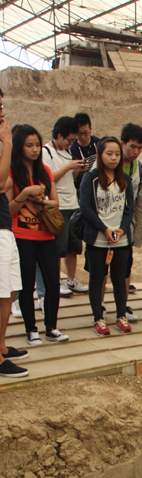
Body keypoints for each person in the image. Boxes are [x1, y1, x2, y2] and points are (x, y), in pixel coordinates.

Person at [7, 124, 69, 345]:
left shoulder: (44, 171)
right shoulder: (11, 173)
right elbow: (9, 209)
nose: (34, 149)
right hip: (22, 235)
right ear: (19, 147)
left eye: (36, 145)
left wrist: (40, 200)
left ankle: (51, 327)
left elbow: (55, 203)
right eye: (29, 145)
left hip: (46, 235)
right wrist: (25, 193)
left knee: (53, 281)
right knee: (26, 284)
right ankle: (31, 329)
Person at [79, 137, 134, 336]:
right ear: (100, 155)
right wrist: (104, 229)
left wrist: (123, 229)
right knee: (97, 279)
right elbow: (85, 207)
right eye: (109, 153)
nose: (114, 158)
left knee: (120, 279)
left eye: (117, 154)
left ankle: (121, 316)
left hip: (120, 239)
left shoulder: (125, 179)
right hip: (98, 237)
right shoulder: (90, 178)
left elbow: (129, 208)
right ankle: (98, 318)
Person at [0, 93, 29, 377]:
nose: (2, 112)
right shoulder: (4, 143)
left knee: (10, 290)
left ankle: (1, 346)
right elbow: (1, 182)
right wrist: (8, 143)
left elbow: (6, 181)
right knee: (0, 293)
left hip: (4, 227)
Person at [42, 116, 88, 296]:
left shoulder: (67, 151)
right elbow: (48, 179)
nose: (71, 143)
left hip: (72, 203)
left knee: (73, 246)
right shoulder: (46, 152)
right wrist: (69, 166)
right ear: (59, 135)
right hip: (58, 205)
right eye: (69, 139)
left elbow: (70, 179)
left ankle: (71, 279)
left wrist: (77, 169)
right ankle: (56, 281)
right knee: (58, 248)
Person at [120, 122, 142, 322]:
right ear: (122, 143)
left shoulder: (141, 169)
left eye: (140, 147)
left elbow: (141, 201)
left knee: (125, 267)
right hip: (105, 225)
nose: (136, 152)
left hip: (126, 226)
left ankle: (122, 306)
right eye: (132, 146)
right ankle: (99, 306)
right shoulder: (106, 162)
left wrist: (137, 232)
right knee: (102, 270)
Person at [70, 112, 100, 191]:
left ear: (91, 129)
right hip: (83, 188)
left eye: (86, 133)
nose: (82, 137)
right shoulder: (72, 150)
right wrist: (78, 169)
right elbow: (71, 178)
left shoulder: (98, 143)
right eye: (79, 133)